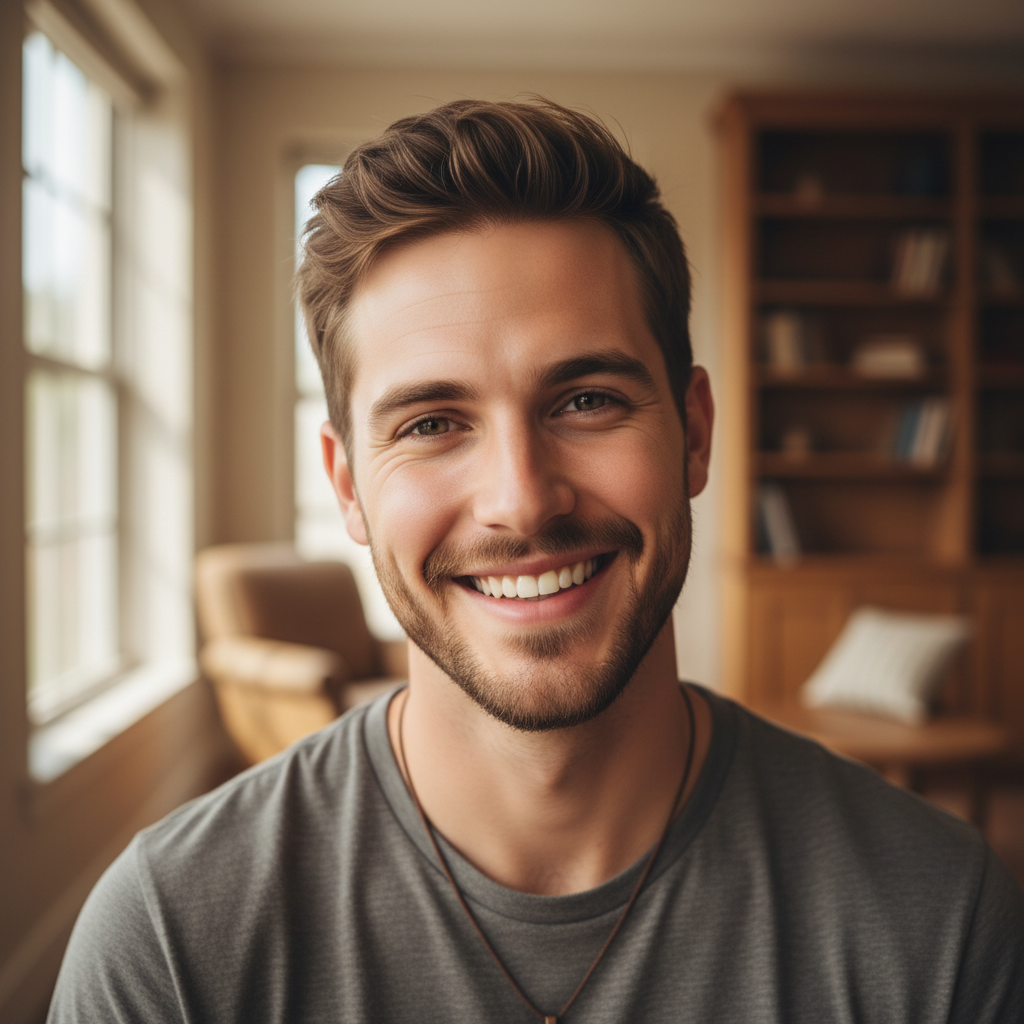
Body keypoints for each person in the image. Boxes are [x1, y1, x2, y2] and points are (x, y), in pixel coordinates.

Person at [49, 98, 1023, 1023]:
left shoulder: (938, 920)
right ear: (347, 485)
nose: (521, 498)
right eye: (432, 422)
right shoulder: (172, 940)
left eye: (586, 399)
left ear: (692, 433)